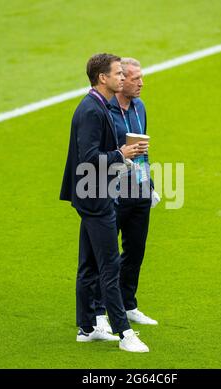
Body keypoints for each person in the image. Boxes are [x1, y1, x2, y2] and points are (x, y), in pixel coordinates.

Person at [60, 53, 149, 352]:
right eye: (118, 74)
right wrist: (121, 155)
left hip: (93, 193)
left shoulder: (97, 105)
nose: (123, 78)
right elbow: (88, 159)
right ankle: (124, 333)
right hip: (95, 196)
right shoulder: (92, 111)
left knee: (88, 263)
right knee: (109, 265)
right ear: (102, 78)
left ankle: (87, 328)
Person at [94, 58, 158, 331]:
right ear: (120, 81)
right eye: (134, 78)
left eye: (141, 77)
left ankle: (128, 304)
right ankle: (97, 313)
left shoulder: (140, 107)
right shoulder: (104, 111)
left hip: (138, 191)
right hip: (112, 192)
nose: (141, 83)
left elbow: (142, 149)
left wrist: (149, 185)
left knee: (135, 251)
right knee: (106, 256)